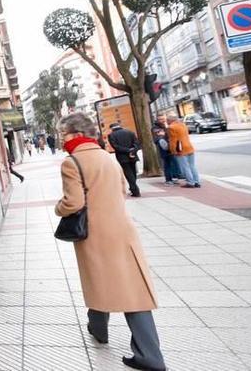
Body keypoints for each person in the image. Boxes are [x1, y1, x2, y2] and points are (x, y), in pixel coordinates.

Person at [56, 112, 166, 371]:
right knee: (132, 290)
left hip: (95, 235)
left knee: (99, 282)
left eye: (64, 134)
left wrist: (59, 208)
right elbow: (123, 190)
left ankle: (105, 334)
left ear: (74, 134)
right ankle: (143, 351)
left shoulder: (72, 162)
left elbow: (73, 203)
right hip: (122, 230)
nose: (62, 139)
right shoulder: (107, 158)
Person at [167, 115, 201, 188]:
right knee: (192, 165)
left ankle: (190, 182)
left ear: (170, 120)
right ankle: (196, 181)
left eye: (167, 120)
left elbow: (173, 140)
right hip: (189, 146)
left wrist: (173, 150)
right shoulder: (183, 125)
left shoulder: (171, 127)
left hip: (180, 149)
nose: (167, 122)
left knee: (185, 167)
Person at [108, 123, 141, 197]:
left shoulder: (111, 135)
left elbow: (115, 146)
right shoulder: (130, 132)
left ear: (111, 128)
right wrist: (132, 150)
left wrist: (127, 150)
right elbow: (137, 143)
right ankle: (133, 188)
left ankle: (135, 190)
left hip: (122, 156)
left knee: (128, 173)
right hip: (133, 155)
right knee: (133, 172)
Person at [152, 115, 179, 186]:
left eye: (164, 119)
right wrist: (165, 133)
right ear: (157, 120)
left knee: (174, 163)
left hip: (171, 147)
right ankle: (168, 180)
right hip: (164, 149)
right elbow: (159, 138)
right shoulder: (155, 128)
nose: (163, 120)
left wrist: (165, 133)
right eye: (161, 119)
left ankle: (174, 177)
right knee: (167, 164)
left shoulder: (167, 126)